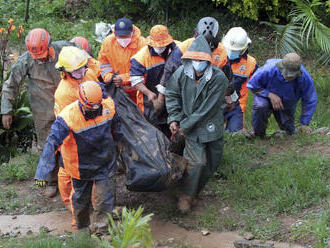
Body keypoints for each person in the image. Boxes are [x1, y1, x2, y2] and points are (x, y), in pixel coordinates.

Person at [35, 81, 121, 233]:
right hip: (80, 167)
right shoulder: (67, 117)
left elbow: (117, 129)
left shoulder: (108, 105)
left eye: (97, 105)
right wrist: (42, 173)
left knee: (105, 199)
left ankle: (102, 230)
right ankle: (82, 228)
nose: (95, 109)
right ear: (81, 102)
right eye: (91, 107)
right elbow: (51, 144)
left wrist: (121, 150)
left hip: (105, 162)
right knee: (81, 201)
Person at [1, 28, 75, 197]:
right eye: (37, 57)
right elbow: (10, 85)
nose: (40, 59)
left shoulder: (66, 49)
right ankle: (50, 181)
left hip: (69, 103)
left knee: (73, 140)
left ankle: (74, 178)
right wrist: (6, 110)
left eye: (43, 55)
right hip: (43, 107)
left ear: (50, 45)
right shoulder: (26, 60)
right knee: (48, 144)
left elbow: (87, 60)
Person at [165, 36, 228, 213]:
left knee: (212, 163)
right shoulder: (181, 74)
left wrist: (185, 124)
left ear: (208, 61)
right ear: (189, 59)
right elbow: (171, 95)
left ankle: (194, 191)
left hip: (210, 124)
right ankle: (186, 194)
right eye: (195, 59)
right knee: (197, 163)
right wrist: (174, 118)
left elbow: (208, 108)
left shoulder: (219, 78)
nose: (198, 63)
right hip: (189, 127)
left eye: (202, 60)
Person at [53, 46, 101, 210]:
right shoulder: (64, 93)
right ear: (65, 71)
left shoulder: (89, 74)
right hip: (71, 135)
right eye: (76, 71)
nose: (81, 73)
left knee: (94, 168)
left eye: (82, 68)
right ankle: (70, 203)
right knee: (68, 169)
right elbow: (67, 122)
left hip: (91, 127)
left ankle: (95, 204)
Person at [155, 17, 232, 113]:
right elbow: (169, 72)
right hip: (184, 92)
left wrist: (229, 96)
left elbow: (228, 77)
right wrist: (160, 98)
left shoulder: (222, 52)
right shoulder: (184, 48)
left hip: (209, 94)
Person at [246, 53, 317, 137]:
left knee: (289, 132)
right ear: (281, 68)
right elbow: (252, 85)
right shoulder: (268, 69)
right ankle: (258, 134)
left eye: (292, 76)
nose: (289, 78)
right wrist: (269, 94)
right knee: (261, 106)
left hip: (287, 101)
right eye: (287, 75)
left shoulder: (304, 77)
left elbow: (310, 99)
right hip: (265, 96)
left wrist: (305, 123)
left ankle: (286, 133)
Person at [130, 24, 181, 137]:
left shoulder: (176, 49)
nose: (159, 48)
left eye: (162, 45)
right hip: (149, 100)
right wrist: (149, 94)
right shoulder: (140, 57)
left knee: (172, 124)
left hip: (171, 96)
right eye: (157, 45)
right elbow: (135, 80)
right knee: (152, 129)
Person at [98, 18, 146, 103]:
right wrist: (109, 77)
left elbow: (145, 71)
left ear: (132, 33)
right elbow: (103, 64)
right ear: (115, 33)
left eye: (126, 36)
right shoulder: (108, 42)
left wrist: (124, 79)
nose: (123, 39)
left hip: (139, 92)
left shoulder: (142, 44)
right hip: (118, 91)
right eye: (120, 37)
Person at [222, 27, 258, 132]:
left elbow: (260, 83)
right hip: (215, 102)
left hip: (236, 105)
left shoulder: (250, 63)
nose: (231, 52)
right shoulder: (217, 57)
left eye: (235, 50)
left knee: (236, 135)